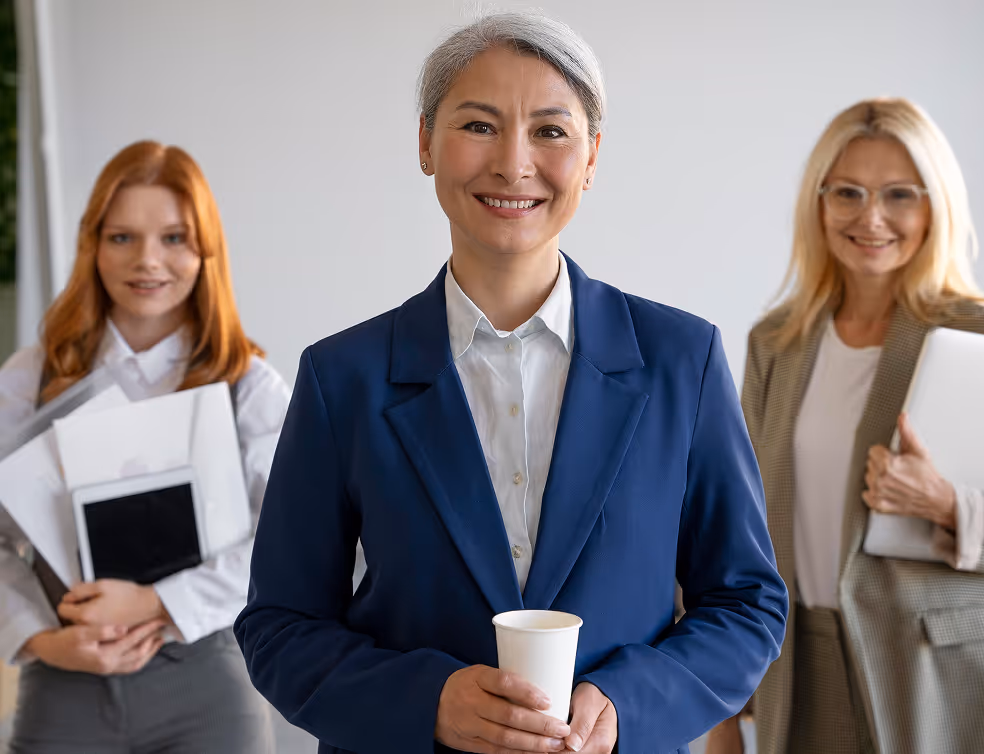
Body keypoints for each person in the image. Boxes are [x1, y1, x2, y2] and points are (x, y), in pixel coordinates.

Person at [235, 12, 786, 754]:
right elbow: (280, 626)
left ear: (592, 156)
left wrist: (628, 704)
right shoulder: (343, 377)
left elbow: (747, 602)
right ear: (426, 142)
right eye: (479, 126)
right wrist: (426, 702)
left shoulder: (682, 360)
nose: (514, 164)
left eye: (551, 131)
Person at [706, 98, 984, 754]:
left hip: (944, 680)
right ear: (819, 202)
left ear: (935, 205)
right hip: (799, 669)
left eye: (898, 195)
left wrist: (952, 506)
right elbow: (733, 527)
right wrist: (721, 703)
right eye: (848, 192)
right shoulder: (776, 344)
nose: (871, 217)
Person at [0, 140, 290, 753]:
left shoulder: (248, 387)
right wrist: (41, 640)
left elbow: (289, 542)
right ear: (93, 245)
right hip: (63, 677)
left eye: (175, 238)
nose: (148, 261)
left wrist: (157, 601)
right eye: (122, 237)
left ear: (205, 249)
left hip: (207, 684)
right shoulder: (31, 378)